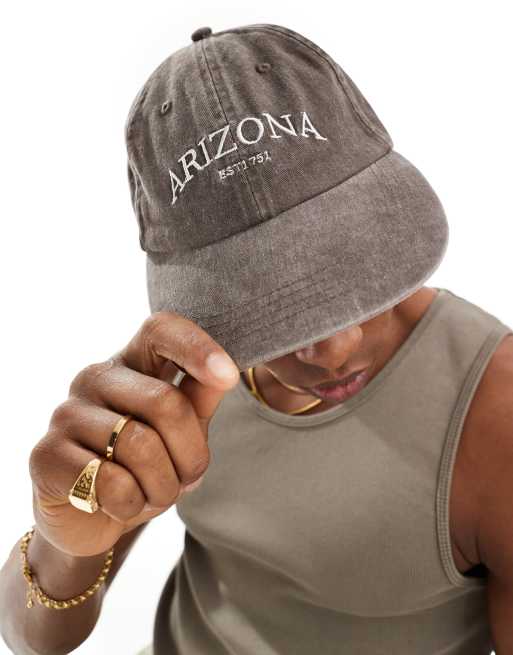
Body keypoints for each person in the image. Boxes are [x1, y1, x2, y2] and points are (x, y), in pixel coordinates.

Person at [1, 21, 512, 655]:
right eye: (264, 301)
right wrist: (61, 544)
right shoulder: (175, 379)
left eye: (352, 261)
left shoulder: (496, 413)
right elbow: (32, 640)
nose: (335, 348)